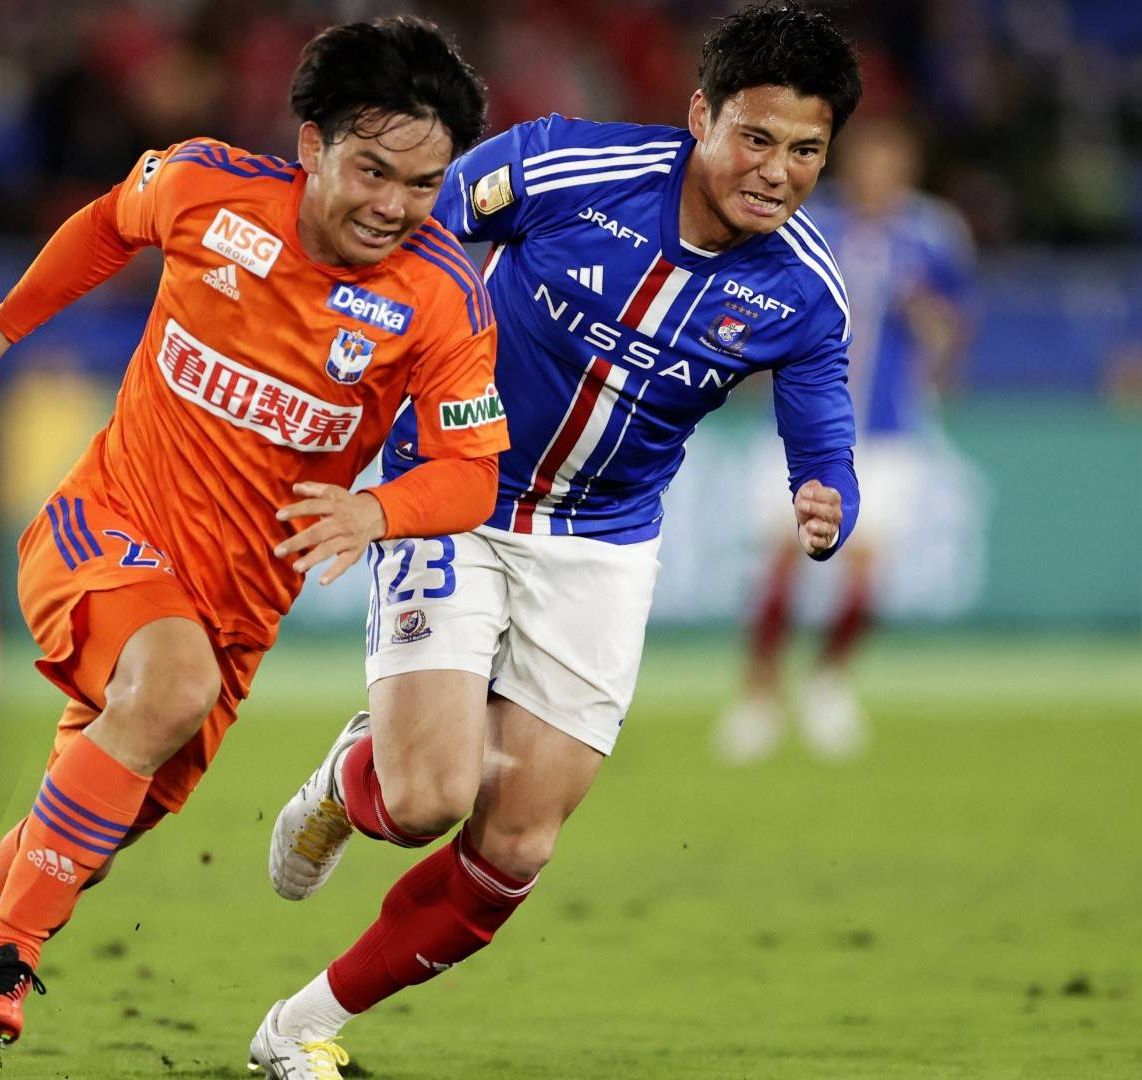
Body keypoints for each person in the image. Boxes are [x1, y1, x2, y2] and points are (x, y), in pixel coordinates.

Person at [253, 3, 861, 1075]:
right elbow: (414, 234)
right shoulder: (564, 167)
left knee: (516, 845)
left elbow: (821, 422)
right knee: (427, 799)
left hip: (602, 544)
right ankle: (354, 778)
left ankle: (298, 1029)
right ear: (701, 117)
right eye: (756, 138)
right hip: (458, 491)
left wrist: (827, 495)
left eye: (806, 151)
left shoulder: (805, 291)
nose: (777, 173)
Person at [0, 17, 504, 1079]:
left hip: (236, 614)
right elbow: (105, 224)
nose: (395, 206)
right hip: (106, 528)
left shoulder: (441, 297)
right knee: (165, 691)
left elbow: (471, 474)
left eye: (424, 185)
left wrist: (376, 512)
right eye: (373, 171)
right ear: (312, 143)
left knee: (84, 841)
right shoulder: (205, 188)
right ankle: (6, 961)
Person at [715, 114, 973, 762]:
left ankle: (828, 684)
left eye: (890, 164)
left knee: (865, 570)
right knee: (780, 558)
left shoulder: (932, 236)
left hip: (884, 432)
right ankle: (759, 694)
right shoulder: (807, 224)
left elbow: (952, 339)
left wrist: (921, 311)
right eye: (867, 162)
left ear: (907, 170)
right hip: (798, 425)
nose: (877, 176)